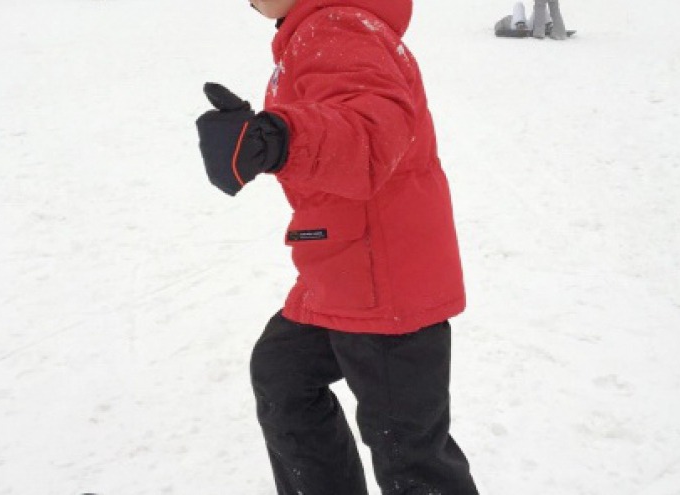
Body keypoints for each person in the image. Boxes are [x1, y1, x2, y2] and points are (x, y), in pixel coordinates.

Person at [195, 1, 479, 494]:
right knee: (284, 376)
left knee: (409, 455)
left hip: (384, 279)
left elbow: (372, 134)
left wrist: (276, 138)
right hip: (344, 268)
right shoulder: (319, 29)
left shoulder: (336, 26)